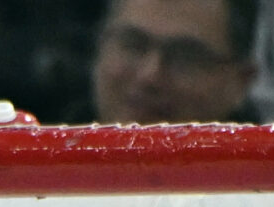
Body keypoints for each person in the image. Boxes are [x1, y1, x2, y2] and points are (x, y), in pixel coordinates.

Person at [93, 0, 259, 123]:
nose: (149, 76)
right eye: (133, 46)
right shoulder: (67, 156)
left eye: (186, 57)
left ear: (240, 82)